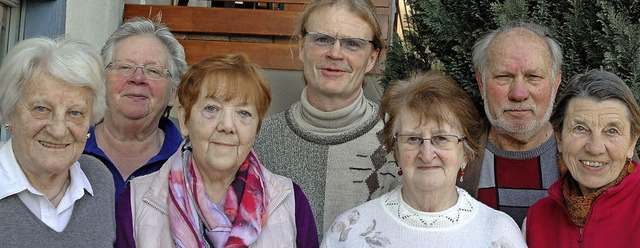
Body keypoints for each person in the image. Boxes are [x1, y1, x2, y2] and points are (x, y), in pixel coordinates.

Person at [115, 54, 318, 247]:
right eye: (212, 109)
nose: (227, 126)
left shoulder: (290, 202)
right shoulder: (134, 202)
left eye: (244, 113)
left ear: (257, 128)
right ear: (185, 120)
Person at [322, 71, 526, 247]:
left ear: (465, 153)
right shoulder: (349, 232)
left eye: (441, 138)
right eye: (412, 138)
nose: (427, 154)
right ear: (396, 152)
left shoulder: (499, 233)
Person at [253, 0, 399, 234]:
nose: (335, 53)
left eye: (352, 44)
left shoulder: (399, 143)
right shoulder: (259, 140)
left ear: (372, 58)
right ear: (302, 47)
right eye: (322, 39)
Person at [0, 37, 114, 245]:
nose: (59, 130)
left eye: (75, 113)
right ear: (9, 113)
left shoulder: (98, 180)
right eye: (41, 109)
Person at [461, 21, 563, 225]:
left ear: (556, 82)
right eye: (504, 77)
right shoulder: (453, 152)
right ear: (481, 83)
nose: (518, 94)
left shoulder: (594, 155)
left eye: (533, 77)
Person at [525, 70, 640, 247]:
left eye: (612, 131)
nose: (595, 148)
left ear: (632, 142)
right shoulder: (537, 218)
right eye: (580, 128)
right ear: (560, 138)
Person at [83, 17, 187, 198]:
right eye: (125, 67)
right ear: (102, 80)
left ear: (172, 93)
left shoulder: (188, 164)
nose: (138, 78)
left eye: (153, 70)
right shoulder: (69, 147)